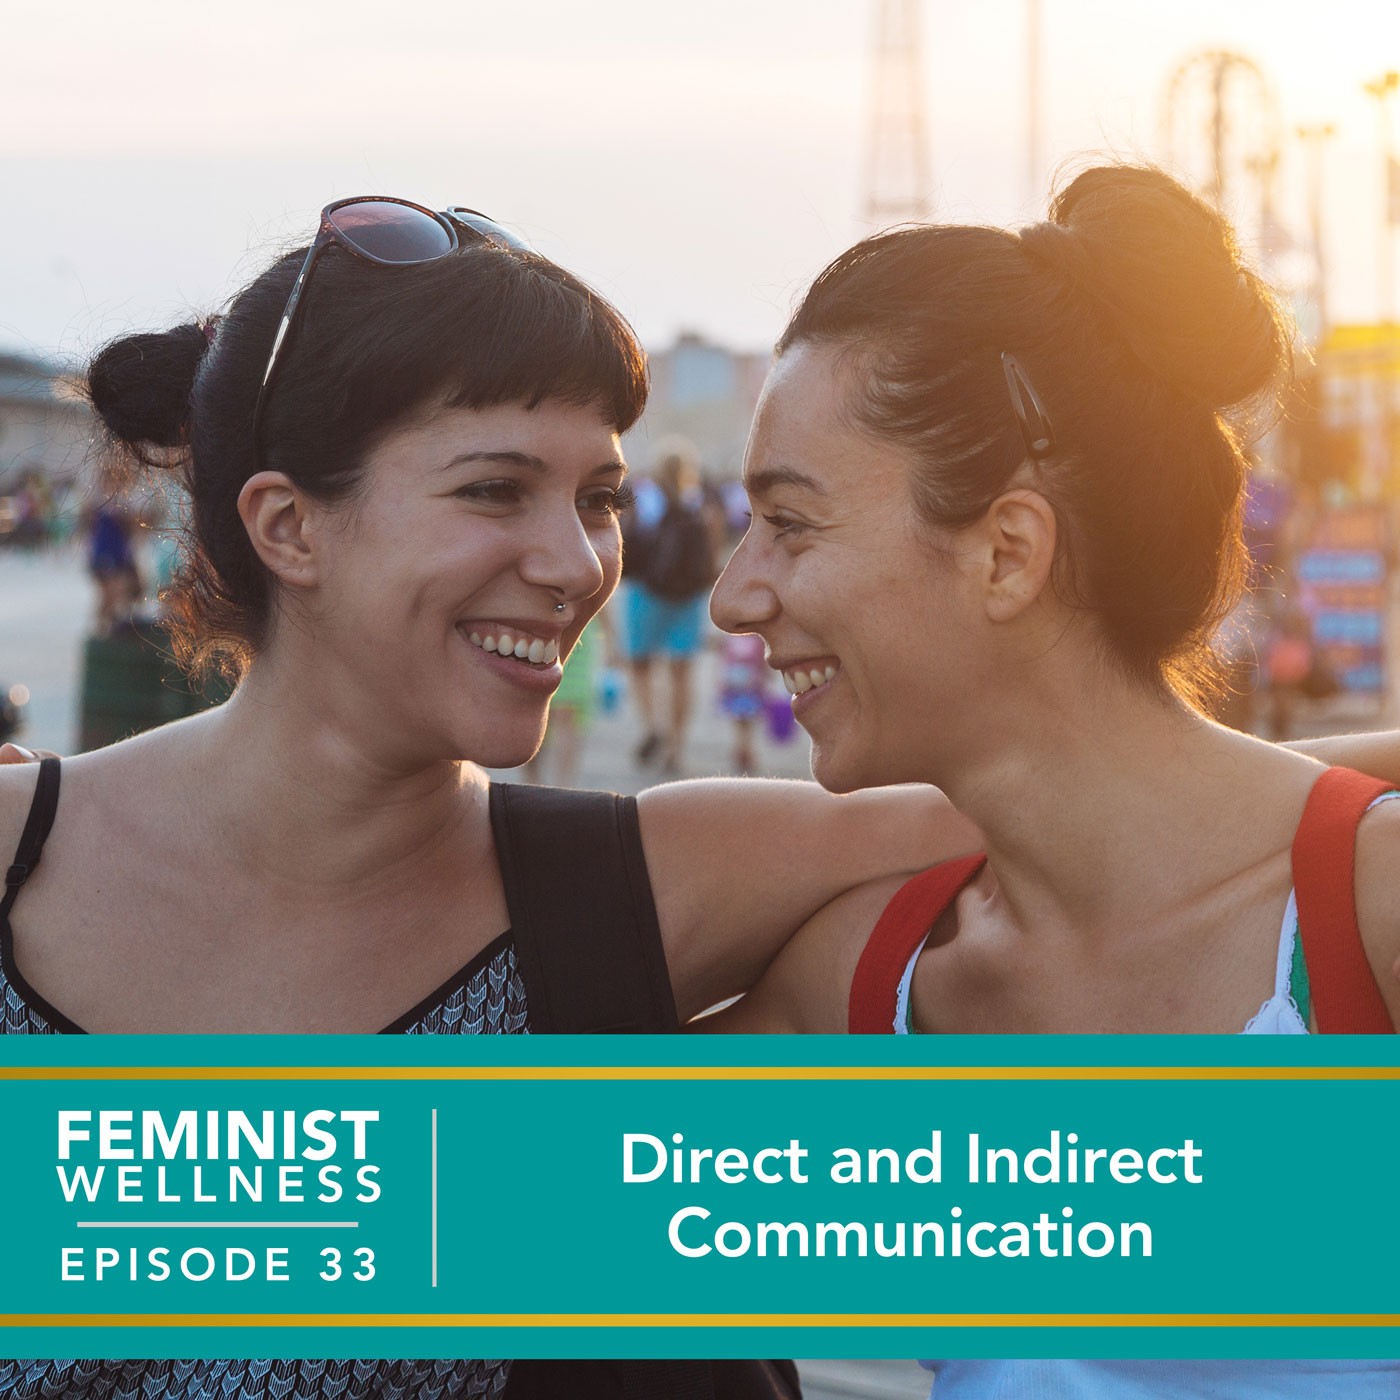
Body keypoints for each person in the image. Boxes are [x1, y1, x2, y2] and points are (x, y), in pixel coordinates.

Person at [0, 197, 972, 1400]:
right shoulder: (15, 863)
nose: (575, 564)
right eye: (495, 489)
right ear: (289, 524)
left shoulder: (625, 885)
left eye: (598, 498)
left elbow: (1160, 806)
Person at [703, 164, 1400, 1395]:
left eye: (791, 523)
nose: (735, 592)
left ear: (1007, 551)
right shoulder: (868, 986)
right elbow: (397, 1218)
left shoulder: (1367, 917)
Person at [620, 439, 722, 773]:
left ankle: (652, 726)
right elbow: (713, 549)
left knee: (640, 664)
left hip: (645, 594)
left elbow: (628, 540)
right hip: (688, 598)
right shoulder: (700, 501)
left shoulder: (644, 497)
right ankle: (676, 745)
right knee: (681, 672)